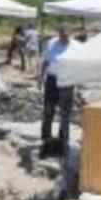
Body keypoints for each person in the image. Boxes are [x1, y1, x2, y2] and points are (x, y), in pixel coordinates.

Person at [40, 26, 74, 159]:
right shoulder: (51, 43)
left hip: (66, 80)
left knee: (65, 113)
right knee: (48, 110)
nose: (64, 38)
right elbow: (46, 62)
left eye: (66, 36)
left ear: (70, 34)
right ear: (59, 34)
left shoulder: (75, 46)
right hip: (51, 79)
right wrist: (40, 78)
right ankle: (45, 139)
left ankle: (63, 141)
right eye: (62, 36)